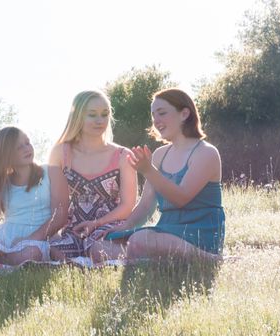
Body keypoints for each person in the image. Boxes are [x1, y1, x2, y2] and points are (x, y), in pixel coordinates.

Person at [92, 88, 225, 263]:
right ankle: (153, 259)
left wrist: (148, 170)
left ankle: (209, 259)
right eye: (154, 115)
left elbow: (181, 198)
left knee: (140, 241)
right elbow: (147, 204)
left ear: (184, 113)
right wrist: (123, 227)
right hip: (167, 229)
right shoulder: (161, 154)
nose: (156, 121)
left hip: (199, 232)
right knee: (99, 247)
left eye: (162, 113)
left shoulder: (206, 153)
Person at [49, 90, 138, 261]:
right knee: (51, 251)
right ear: (77, 117)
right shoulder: (60, 152)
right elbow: (57, 202)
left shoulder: (122, 155)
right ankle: (75, 268)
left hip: (109, 227)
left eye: (105, 115)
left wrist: (97, 224)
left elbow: (127, 206)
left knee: (97, 250)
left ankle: (142, 255)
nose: (100, 121)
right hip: (74, 229)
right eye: (92, 115)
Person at [0, 126, 68, 265]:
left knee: (27, 255)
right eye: (19, 147)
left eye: (27, 143)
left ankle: (5, 263)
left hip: (42, 235)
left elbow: (60, 215)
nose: (27, 148)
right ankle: (5, 262)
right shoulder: (2, 183)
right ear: (5, 155)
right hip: (8, 235)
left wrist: (31, 240)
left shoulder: (51, 172)